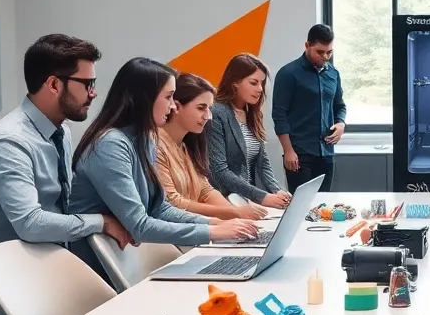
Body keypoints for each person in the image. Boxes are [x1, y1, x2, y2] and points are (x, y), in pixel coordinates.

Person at [0, 34, 131, 315]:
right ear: (54, 85)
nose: (94, 92)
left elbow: (63, 203)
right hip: (17, 280)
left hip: (51, 268)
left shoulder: (61, 132)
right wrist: (101, 222)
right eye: (87, 84)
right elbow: (30, 224)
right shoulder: (9, 142)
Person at [68, 57, 260, 281]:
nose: (173, 106)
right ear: (145, 98)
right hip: (99, 273)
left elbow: (159, 208)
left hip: (127, 257)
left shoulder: (145, 139)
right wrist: (213, 232)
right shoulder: (110, 145)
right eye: (168, 97)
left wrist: (215, 223)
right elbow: (140, 225)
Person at [155, 73, 273, 221]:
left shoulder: (185, 146)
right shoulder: (155, 145)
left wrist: (237, 215)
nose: (208, 116)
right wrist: (233, 213)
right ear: (177, 106)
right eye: (201, 108)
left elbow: (205, 190)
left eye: (209, 108)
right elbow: (172, 202)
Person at [207, 53, 292, 209]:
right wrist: (263, 197)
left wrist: (278, 191)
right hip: (224, 201)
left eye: (262, 83)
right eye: (254, 83)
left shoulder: (252, 114)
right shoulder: (217, 113)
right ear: (235, 82)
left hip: (246, 199)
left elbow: (263, 164)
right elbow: (220, 171)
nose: (260, 89)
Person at [272, 24, 346, 191]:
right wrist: (288, 151)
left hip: (326, 153)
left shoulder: (333, 74)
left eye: (329, 52)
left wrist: (341, 124)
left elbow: (339, 105)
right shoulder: (288, 74)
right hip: (299, 154)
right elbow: (279, 114)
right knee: (302, 203)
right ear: (307, 45)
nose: (325, 57)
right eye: (320, 52)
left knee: (323, 203)